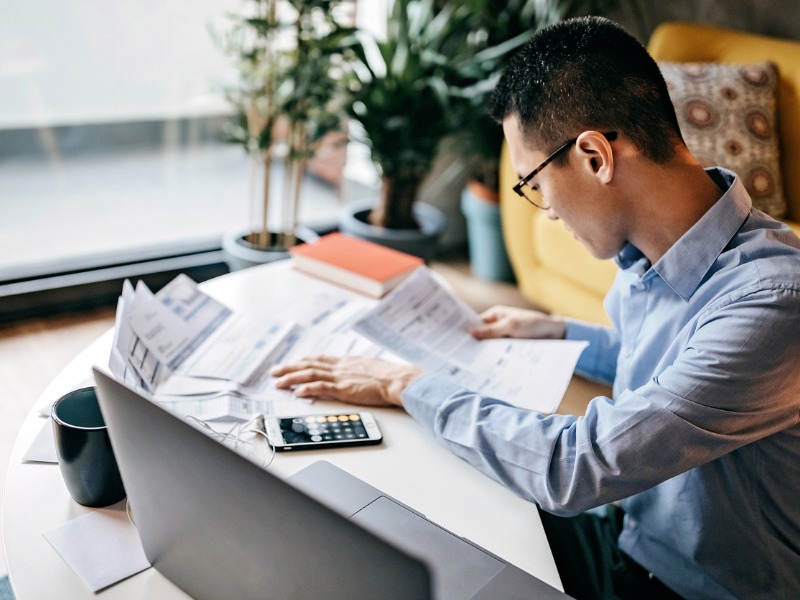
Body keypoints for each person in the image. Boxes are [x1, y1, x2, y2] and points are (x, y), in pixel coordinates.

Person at [272, 16, 800, 599]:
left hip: (689, 587)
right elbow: (665, 361)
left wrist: (406, 384)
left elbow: (576, 467)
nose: (544, 210)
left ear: (595, 156)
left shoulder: (773, 304)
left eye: (534, 184)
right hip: (629, 537)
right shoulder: (659, 252)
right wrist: (553, 330)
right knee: (428, 524)